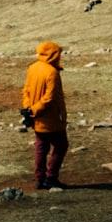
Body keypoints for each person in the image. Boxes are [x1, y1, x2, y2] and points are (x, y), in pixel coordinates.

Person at [20, 40, 68, 189]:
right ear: (53, 55)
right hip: (50, 117)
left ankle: (39, 179)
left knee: (41, 146)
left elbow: (26, 91)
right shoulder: (52, 72)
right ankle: (51, 178)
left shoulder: (32, 68)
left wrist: (28, 109)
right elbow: (49, 97)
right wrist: (36, 110)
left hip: (35, 117)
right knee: (61, 146)